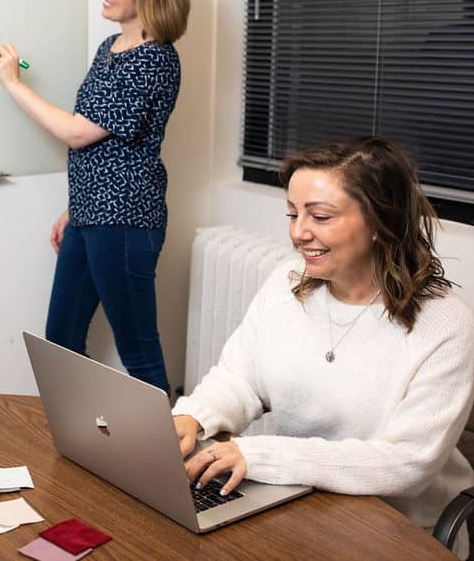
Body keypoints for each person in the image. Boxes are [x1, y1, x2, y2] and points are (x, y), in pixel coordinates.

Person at [173, 136, 474, 546]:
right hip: (296, 501)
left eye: (321, 216)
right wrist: (194, 417)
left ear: (379, 222)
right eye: (293, 214)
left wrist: (264, 456)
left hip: (396, 531)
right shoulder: (286, 282)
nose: (298, 233)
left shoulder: (445, 324)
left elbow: (408, 464)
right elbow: (239, 378)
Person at [0, 0, 190, 391]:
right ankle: (80, 446)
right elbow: (99, 145)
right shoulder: (111, 46)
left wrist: (13, 84)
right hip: (92, 214)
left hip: (124, 220)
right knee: (60, 342)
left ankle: (165, 457)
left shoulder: (155, 58)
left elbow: (79, 132)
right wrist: (75, 208)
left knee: (138, 352)